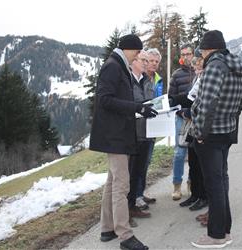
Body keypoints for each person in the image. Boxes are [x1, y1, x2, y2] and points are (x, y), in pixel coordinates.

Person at [89, 34, 157, 250]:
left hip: (117, 134)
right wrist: (136, 107)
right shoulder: (113, 66)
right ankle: (125, 236)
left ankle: (107, 228)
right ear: (128, 49)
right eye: (137, 52)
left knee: (112, 182)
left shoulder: (118, 64)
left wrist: (139, 107)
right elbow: (105, 99)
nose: (138, 56)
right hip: (114, 134)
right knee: (121, 185)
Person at [190, 30, 242, 248]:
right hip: (226, 131)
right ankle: (225, 230)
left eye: (202, 51)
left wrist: (199, 133)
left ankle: (216, 236)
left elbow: (206, 102)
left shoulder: (214, 66)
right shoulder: (235, 66)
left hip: (211, 134)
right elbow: (239, 104)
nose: (202, 55)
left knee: (214, 185)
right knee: (221, 182)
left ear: (207, 49)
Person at [170, 50, 208, 211]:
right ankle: (195, 195)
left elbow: (201, 102)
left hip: (199, 123)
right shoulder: (195, 78)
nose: (198, 71)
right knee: (192, 160)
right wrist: (174, 102)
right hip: (190, 124)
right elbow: (189, 96)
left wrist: (188, 112)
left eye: (200, 68)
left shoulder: (206, 79)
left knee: (200, 163)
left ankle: (202, 196)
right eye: (197, 69)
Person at [127, 50, 155, 221]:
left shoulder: (147, 80)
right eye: (143, 60)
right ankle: (127, 209)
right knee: (128, 174)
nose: (146, 63)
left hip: (147, 132)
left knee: (139, 170)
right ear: (133, 61)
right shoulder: (127, 81)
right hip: (132, 133)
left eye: (147, 60)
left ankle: (134, 204)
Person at [168, 43, 196, 200]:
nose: (186, 57)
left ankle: (191, 184)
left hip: (197, 118)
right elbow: (171, 100)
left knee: (194, 153)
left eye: (188, 54)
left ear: (193, 54)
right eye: (183, 54)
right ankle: (176, 186)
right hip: (181, 118)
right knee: (179, 153)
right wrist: (181, 112)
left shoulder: (200, 72)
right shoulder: (176, 75)